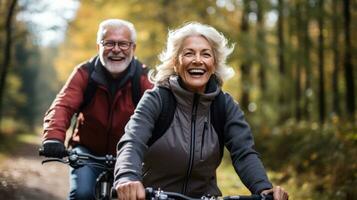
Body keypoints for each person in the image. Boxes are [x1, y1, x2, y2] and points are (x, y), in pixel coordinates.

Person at [113, 22, 289, 200]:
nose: (198, 60)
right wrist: (127, 177)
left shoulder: (225, 105)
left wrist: (263, 188)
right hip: (155, 196)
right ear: (175, 62)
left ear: (214, 63)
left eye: (206, 54)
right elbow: (133, 141)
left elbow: (244, 153)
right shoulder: (157, 99)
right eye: (189, 53)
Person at [41, 19, 153, 200]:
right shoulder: (84, 73)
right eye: (109, 43)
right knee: (82, 194)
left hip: (128, 156)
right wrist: (54, 137)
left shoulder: (144, 78)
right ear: (98, 46)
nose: (116, 49)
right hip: (87, 151)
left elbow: (161, 116)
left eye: (123, 44)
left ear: (133, 47)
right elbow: (63, 105)